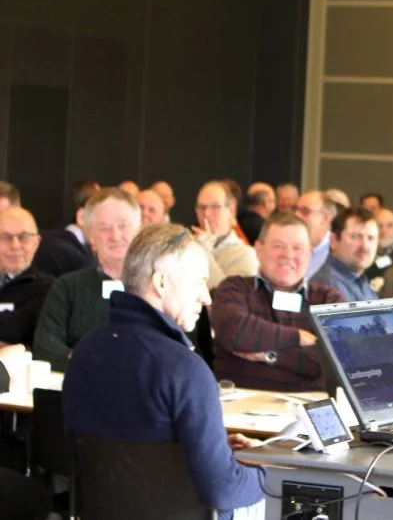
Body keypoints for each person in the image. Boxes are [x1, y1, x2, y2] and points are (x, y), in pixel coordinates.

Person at [63, 223, 265, 519]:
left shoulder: (85, 352)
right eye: (198, 282)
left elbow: (133, 450)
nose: (207, 298)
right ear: (160, 283)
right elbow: (222, 489)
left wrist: (216, 449)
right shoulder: (184, 369)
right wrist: (268, 473)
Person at [210, 212, 344, 391]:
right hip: (243, 407)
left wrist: (270, 355)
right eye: (278, 246)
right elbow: (235, 331)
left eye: (297, 248)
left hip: (310, 406)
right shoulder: (234, 289)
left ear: (309, 254)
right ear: (258, 250)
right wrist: (298, 337)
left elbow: (337, 360)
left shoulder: (327, 299)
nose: (288, 255)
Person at [33, 188, 142, 370]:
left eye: (123, 226)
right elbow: (45, 347)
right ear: (90, 235)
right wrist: (91, 361)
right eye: (104, 228)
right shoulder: (67, 287)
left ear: (139, 229)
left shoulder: (157, 287)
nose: (115, 236)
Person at [0, 207, 53, 348]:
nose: (15, 245)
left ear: (36, 243)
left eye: (23, 238)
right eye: (6, 237)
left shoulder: (49, 289)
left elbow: (16, 330)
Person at [310, 206, 380, 302]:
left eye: (371, 238)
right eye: (355, 237)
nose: (365, 246)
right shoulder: (327, 287)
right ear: (333, 241)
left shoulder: (360, 280)